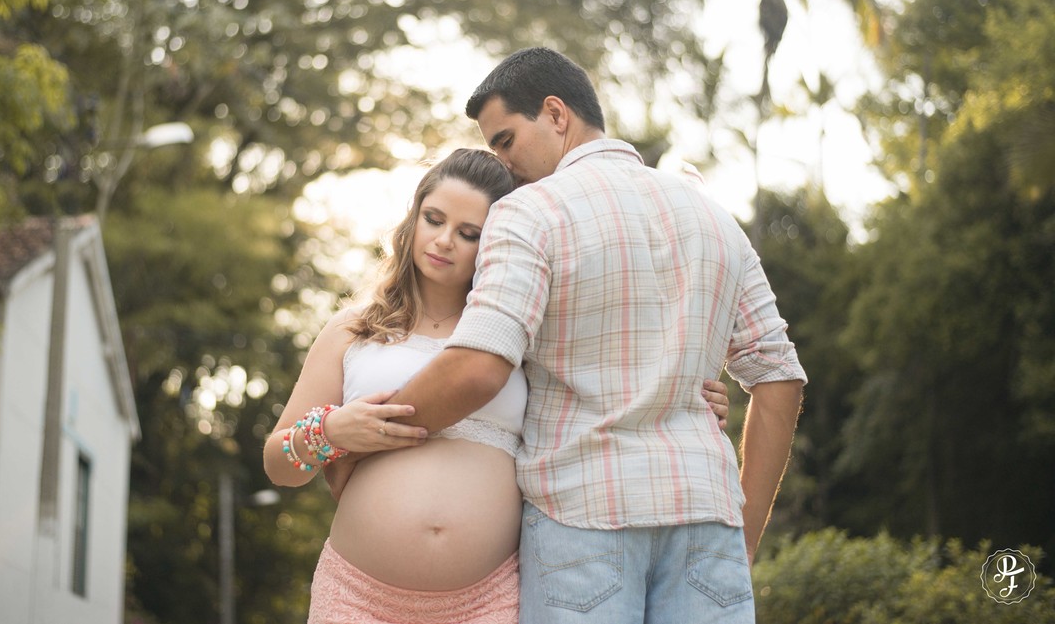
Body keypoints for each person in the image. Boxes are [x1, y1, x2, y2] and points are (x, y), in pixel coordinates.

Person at [381, 47, 808, 624]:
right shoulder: (713, 217)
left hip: (582, 517)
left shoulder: (532, 211)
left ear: (556, 114)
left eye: (505, 140)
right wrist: (744, 529)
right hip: (708, 518)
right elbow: (778, 376)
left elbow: (479, 367)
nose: (502, 164)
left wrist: (361, 433)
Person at [262, 148, 732, 624]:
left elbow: (620, 387)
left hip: (489, 601)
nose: (444, 241)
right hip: (357, 596)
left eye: (470, 234)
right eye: (433, 219)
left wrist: (690, 398)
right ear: (412, 219)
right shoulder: (354, 329)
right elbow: (279, 464)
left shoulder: (529, 339)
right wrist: (332, 432)